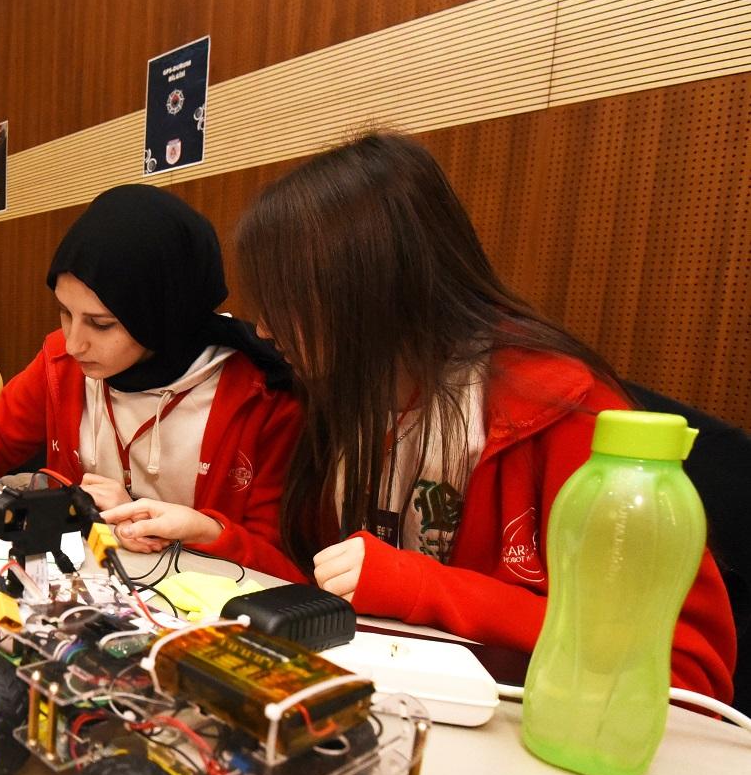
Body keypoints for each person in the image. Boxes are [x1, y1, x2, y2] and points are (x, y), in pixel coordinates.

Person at [234, 131, 736, 702]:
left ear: (370, 289)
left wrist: (426, 588)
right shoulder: (344, 396)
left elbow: (686, 675)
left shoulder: (562, 412)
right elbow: (323, 581)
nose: (264, 330)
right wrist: (222, 539)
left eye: (284, 302)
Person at [0, 184, 304, 580]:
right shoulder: (63, 361)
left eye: (101, 324)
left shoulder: (262, 396)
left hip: (196, 601)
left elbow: (281, 566)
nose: (74, 343)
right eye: (65, 313)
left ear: (162, 313)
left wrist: (204, 531)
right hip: (83, 586)